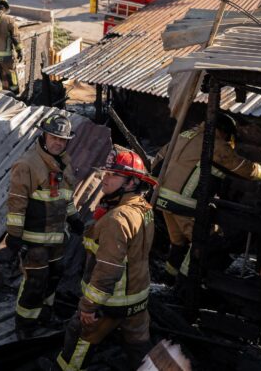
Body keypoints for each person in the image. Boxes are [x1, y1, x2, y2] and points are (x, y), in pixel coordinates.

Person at [47, 147, 156, 370]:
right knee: (139, 349)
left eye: (113, 175)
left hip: (111, 302)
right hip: (138, 299)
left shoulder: (116, 219)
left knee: (78, 341)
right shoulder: (144, 208)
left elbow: (108, 270)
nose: (105, 178)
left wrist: (88, 307)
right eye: (105, 173)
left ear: (132, 182)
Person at [155, 113, 261, 279]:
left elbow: (159, 158)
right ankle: (187, 283)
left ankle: (168, 278)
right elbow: (244, 168)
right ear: (224, 131)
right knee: (206, 242)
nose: (229, 142)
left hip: (163, 199)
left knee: (178, 242)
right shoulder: (214, 143)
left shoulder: (184, 135)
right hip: (185, 205)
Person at [0, 113, 82, 338]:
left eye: (63, 139)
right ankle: (25, 325)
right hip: (34, 240)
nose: (58, 142)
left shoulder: (64, 163)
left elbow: (67, 197)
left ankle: (45, 315)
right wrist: (14, 236)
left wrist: (74, 218)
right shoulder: (28, 164)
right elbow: (16, 202)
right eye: (54, 137)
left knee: (54, 278)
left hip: (56, 239)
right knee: (35, 283)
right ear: (44, 136)